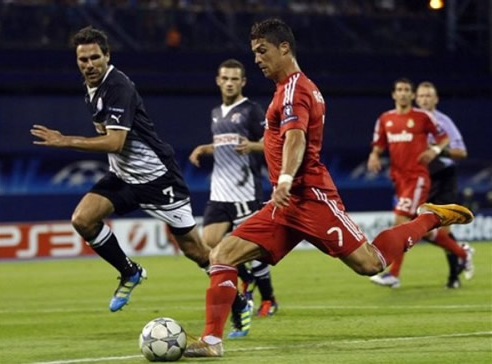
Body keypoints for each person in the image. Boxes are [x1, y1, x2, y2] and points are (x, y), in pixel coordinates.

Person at [183, 18, 474, 358]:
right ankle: (212, 341)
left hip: (310, 197)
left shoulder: (295, 90)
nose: (257, 59)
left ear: (284, 48)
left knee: (370, 263)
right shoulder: (287, 90)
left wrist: (287, 178)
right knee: (222, 254)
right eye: (255, 53)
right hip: (285, 204)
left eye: (262, 51)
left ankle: (429, 218)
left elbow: (296, 137)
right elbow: (283, 138)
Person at [30, 26, 210, 312]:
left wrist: (65, 141)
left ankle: (237, 301)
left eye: (94, 58)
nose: (89, 65)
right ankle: (130, 272)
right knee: (83, 220)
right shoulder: (91, 88)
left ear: (107, 56)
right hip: (124, 177)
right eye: (83, 60)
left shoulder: (118, 87)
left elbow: (115, 142)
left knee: (196, 252)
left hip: (157, 179)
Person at [189, 59, 278, 338]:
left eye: (234, 78)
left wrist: (251, 146)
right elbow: (225, 145)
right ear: (218, 80)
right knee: (210, 244)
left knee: (253, 250)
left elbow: (273, 144)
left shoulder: (251, 110)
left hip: (245, 192)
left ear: (242, 82)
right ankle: (247, 282)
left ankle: (268, 299)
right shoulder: (216, 112)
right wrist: (205, 148)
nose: (229, 82)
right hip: (219, 192)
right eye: (225, 78)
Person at [367, 78, 473, 289]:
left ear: (412, 95)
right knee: (423, 229)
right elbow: (378, 144)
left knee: (401, 223)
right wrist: (374, 155)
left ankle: (394, 275)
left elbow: (445, 140)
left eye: (408, 90)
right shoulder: (385, 119)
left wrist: (434, 150)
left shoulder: (425, 118)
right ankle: (462, 252)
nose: (404, 93)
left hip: (419, 178)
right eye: (400, 90)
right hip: (399, 179)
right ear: (394, 94)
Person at [416, 81, 473, 289]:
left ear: (436, 99)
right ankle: (462, 251)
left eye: (428, 96)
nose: (424, 99)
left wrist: (439, 150)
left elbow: (462, 152)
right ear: (416, 98)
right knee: (423, 227)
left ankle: (453, 277)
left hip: (444, 176)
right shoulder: (411, 121)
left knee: (443, 227)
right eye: (421, 96)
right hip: (421, 177)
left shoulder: (444, 122)